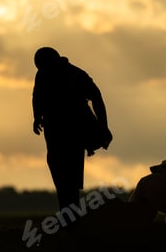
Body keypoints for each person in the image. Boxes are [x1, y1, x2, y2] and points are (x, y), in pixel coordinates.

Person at [32, 47, 112, 211]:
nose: (43, 70)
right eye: (40, 67)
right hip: (53, 130)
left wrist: (103, 126)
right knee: (58, 170)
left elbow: (96, 97)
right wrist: (37, 117)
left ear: (54, 61)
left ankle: (71, 215)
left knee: (71, 174)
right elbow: (37, 96)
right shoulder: (42, 73)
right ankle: (67, 214)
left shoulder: (77, 75)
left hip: (74, 131)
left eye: (44, 66)